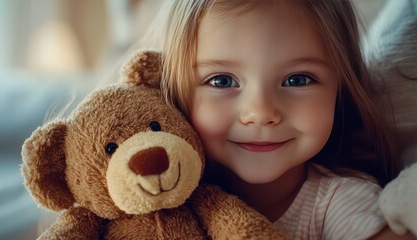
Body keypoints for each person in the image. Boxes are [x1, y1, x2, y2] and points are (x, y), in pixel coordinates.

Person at [150, 0, 416, 239]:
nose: (261, 112)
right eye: (221, 81)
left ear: (340, 89)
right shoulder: (151, 195)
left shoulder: (340, 204)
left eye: (297, 79)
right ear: (174, 91)